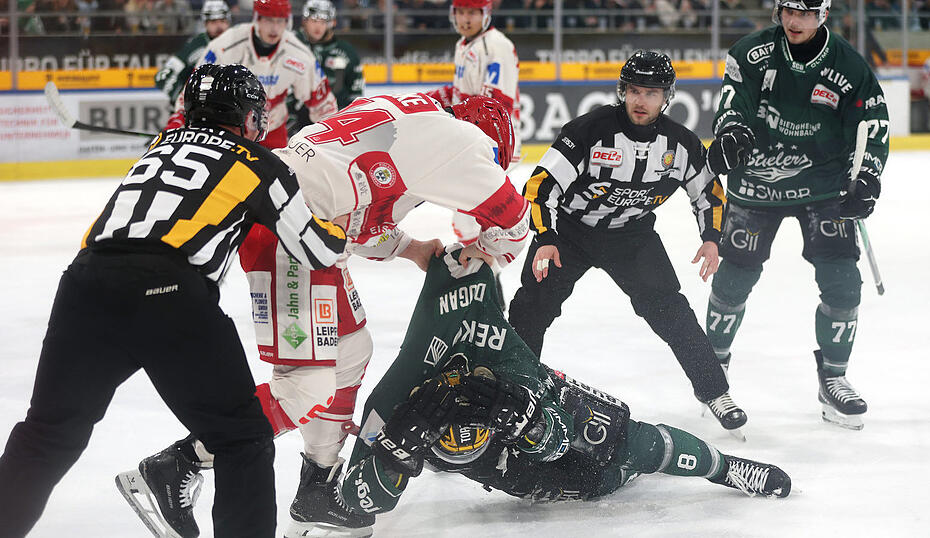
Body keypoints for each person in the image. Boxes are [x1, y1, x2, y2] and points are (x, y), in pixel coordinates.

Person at [117, 94, 530, 538]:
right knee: (304, 387)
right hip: (290, 234)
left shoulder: (404, 116)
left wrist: (409, 248)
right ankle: (176, 463)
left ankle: (318, 488)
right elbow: (515, 219)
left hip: (298, 229)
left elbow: (355, 216)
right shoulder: (465, 142)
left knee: (353, 351)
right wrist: (483, 254)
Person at [0, 63, 348, 538]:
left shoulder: (159, 146)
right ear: (248, 118)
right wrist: (343, 222)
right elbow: (316, 249)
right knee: (242, 438)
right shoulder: (260, 164)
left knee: (47, 434)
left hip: (84, 282)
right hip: (168, 294)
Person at [337, 247, 790, 522]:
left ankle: (725, 468)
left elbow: (554, 436)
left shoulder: (508, 365)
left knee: (623, 439)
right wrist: (394, 457)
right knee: (595, 481)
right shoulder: (406, 401)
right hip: (509, 469)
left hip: (526, 410)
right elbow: (359, 501)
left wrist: (531, 422)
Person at [507, 50, 746, 436]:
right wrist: (546, 237)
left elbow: (709, 194)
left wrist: (711, 238)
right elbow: (540, 185)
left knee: (671, 311)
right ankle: (516, 390)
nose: (641, 100)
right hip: (569, 233)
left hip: (632, 237)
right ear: (622, 90)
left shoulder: (680, 144)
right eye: (634, 90)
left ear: (667, 96)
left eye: (651, 93)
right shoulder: (588, 130)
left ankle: (715, 392)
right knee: (532, 306)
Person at [704, 0, 889, 430]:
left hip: (825, 185)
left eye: (804, 13)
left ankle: (835, 379)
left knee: (843, 283)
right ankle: (711, 372)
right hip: (758, 180)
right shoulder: (751, 53)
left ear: (823, 14)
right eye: (787, 10)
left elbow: (873, 125)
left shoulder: (850, 65)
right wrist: (731, 131)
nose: (793, 21)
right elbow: (733, 102)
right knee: (734, 279)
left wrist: (867, 178)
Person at [165, 0, 338, 149]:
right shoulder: (226, 44)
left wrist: (330, 139)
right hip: (229, 130)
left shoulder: (300, 54)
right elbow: (195, 87)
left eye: (280, 21)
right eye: (269, 20)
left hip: (273, 131)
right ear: (257, 19)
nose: (274, 28)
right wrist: (178, 121)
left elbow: (324, 104)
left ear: (288, 22)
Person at [425, 0, 522, 256]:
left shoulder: (496, 46)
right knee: (466, 217)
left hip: (496, 143)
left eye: (472, 13)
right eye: (461, 12)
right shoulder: (464, 45)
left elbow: (495, 106)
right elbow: (461, 94)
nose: (466, 19)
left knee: (470, 215)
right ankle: (485, 270)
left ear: (486, 15)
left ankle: (488, 270)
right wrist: (431, 100)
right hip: (472, 141)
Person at [154, 0, 231, 110]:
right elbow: (162, 76)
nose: (219, 26)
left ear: (229, 22)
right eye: (213, 21)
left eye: (222, 21)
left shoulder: (239, 43)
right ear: (205, 23)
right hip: (197, 113)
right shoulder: (196, 45)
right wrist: (182, 99)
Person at [293, 0, 364, 116]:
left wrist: (349, 115)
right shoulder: (292, 45)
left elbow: (356, 92)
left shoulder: (345, 51)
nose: (318, 26)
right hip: (298, 117)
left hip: (336, 117)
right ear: (304, 21)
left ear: (332, 22)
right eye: (314, 21)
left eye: (323, 21)